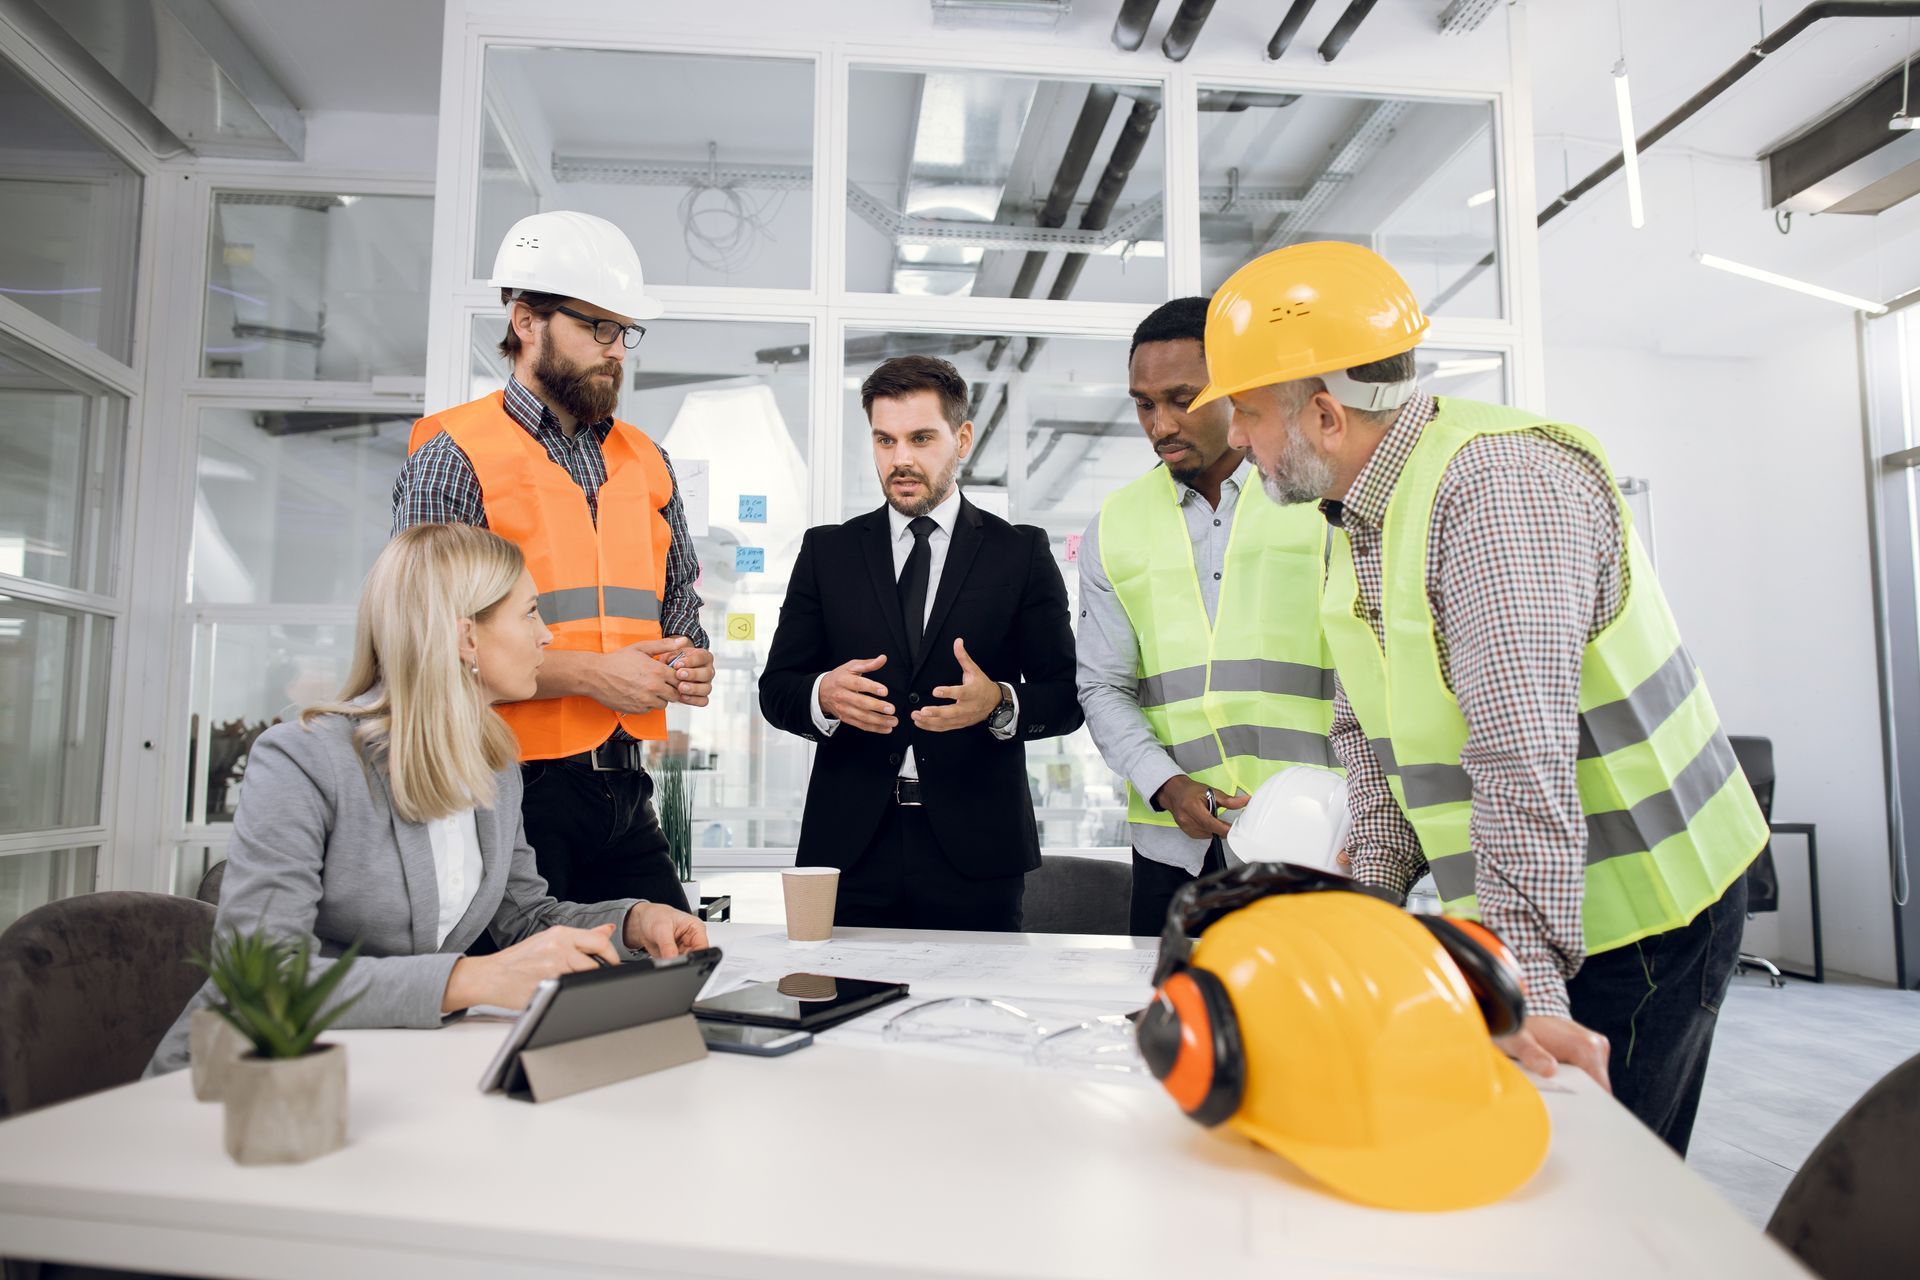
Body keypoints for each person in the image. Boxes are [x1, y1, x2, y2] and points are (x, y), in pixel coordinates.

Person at [1193, 241, 1766, 1154]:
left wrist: (1521, 991)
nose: (1237, 439)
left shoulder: (1499, 493)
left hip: (1648, 916)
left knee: (1598, 1188)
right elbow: (1374, 743)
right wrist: (1361, 909)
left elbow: (1518, 758)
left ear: (1327, 415)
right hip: (1535, 901)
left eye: (1249, 413)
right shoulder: (1358, 511)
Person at [150, 524, 708, 1073]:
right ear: (467, 638)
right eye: (530, 612)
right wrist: (470, 979)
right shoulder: (302, 758)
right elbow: (262, 979)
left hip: (399, 1065)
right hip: (258, 1080)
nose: (547, 637)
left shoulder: (495, 764)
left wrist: (633, 919)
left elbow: (527, 919)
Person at [392, 210, 710, 917]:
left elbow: (679, 605)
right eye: (597, 327)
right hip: (503, 791)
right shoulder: (454, 456)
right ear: (527, 320)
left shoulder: (646, 460)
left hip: (626, 791)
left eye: (624, 331)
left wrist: (688, 660)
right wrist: (596, 673)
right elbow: (426, 647)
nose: (617, 349)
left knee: (674, 973)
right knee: (523, 1008)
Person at [759, 355, 1083, 930]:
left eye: (921, 438)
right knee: (836, 1011)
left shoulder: (1021, 553)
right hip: (848, 850)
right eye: (885, 440)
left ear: (962, 439)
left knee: (973, 1018)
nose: (900, 458)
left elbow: (1065, 696)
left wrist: (1001, 703)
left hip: (978, 852)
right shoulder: (827, 553)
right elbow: (777, 690)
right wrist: (822, 696)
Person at [1076, 298, 1337, 937]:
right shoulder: (1114, 525)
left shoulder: (1319, 500)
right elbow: (1101, 686)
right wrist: (1166, 785)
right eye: (1143, 404)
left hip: (1320, 840)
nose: (1160, 423)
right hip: (1175, 852)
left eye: (1182, 398)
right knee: (1170, 1028)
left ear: (1235, 391)